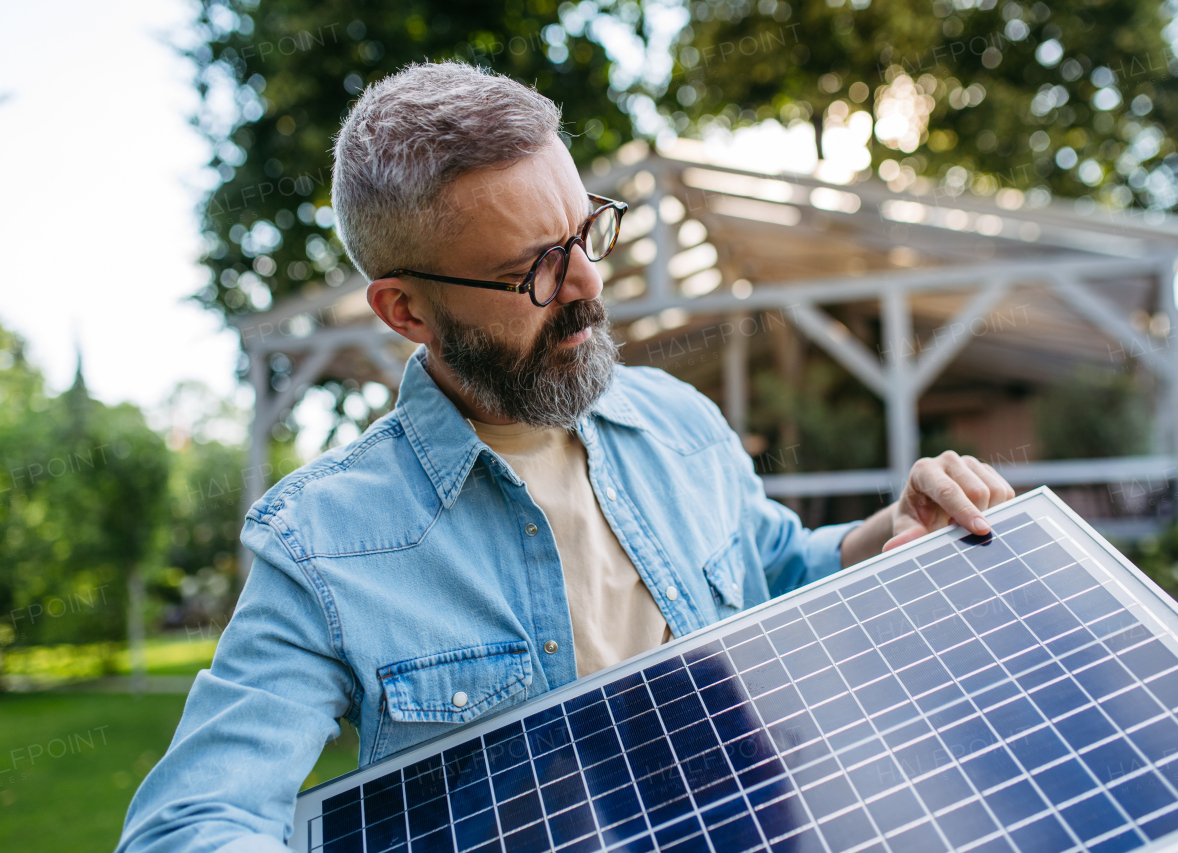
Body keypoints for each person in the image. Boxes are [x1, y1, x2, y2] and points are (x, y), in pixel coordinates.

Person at [117, 60, 1014, 852]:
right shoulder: (321, 544)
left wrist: (888, 531)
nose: (588, 281)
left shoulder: (679, 422)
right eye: (536, 270)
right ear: (406, 311)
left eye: (589, 230)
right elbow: (189, 822)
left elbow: (776, 567)